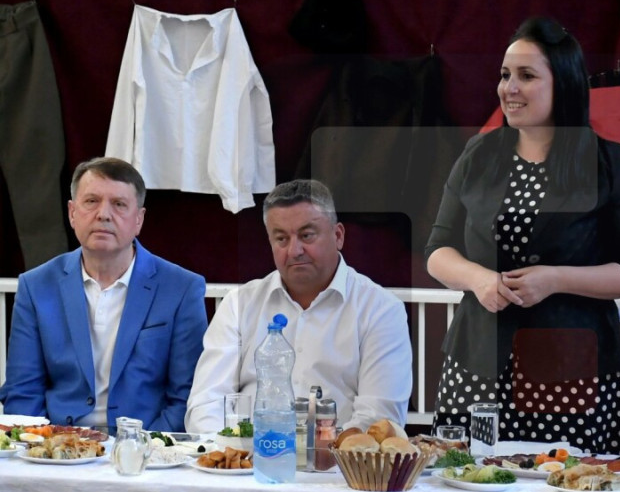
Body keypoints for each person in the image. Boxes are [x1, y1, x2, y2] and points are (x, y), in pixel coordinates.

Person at [425, 17, 620, 454]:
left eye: (527, 76)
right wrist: (478, 279)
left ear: (563, 84)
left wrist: (556, 279)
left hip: (570, 366)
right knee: (470, 481)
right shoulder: (479, 154)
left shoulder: (603, 162)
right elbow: (438, 249)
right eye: (505, 74)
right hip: (478, 361)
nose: (509, 88)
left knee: (563, 485)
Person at [184, 179, 412, 433]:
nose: (294, 250)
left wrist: (324, 452)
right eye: (281, 238)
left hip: (340, 456)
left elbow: (378, 419)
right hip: (247, 453)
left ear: (338, 236)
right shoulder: (239, 305)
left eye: (307, 235)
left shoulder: (380, 310)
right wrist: (230, 451)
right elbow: (207, 404)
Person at [0, 157, 208, 432]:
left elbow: (187, 396)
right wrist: (48, 444)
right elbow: (23, 392)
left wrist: (144, 447)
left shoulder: (181, 289)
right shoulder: (36, 286)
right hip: (56, 445)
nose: (104, 214)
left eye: (119, 204)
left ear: (139, 219)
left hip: (147, 447)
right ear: (72, 213)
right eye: (91, 201)